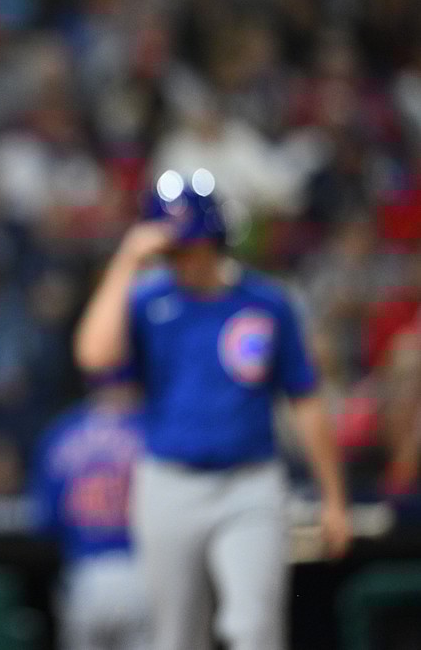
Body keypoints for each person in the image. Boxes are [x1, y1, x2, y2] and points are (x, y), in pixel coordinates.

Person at [73, 170, 351, 650]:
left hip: (251, 483)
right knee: (176, 637)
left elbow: (305, 399)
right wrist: (126, 260)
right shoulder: (147, 298)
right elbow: (94, 356)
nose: (183, 258)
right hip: (169, 483)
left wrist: (333, 498)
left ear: (215, 239)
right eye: (173, 248)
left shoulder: (265, 302)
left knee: (255, 630)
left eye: (192, 245)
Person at [32, 369, 151, 650]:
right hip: (142, 574)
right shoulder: (152, 427)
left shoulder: (61, 433)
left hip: (84, 576)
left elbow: (44, 522)